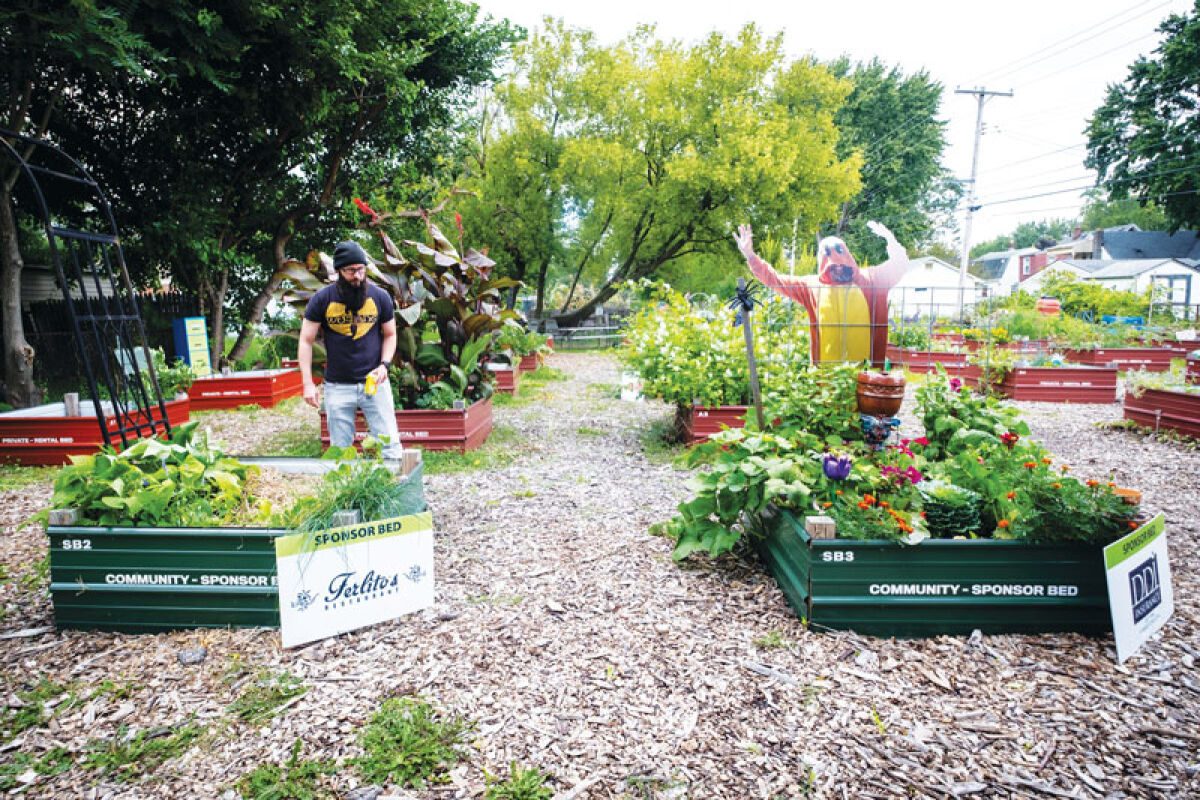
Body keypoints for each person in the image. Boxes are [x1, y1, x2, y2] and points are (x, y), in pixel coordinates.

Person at [733, 221, 910, 367]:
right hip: (827, 383)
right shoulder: (812, 287)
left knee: (865, 406)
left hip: (867, 381)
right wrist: (750, 256)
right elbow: (775, 280)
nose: (838, 267)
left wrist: (892, 242)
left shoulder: (872, 280)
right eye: (832, 264)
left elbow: (899, 265)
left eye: (841, 262)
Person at [299, 240, 403, 459]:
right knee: (340, 451)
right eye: (350, 270)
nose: (357, 275)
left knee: (390, 445)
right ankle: (349, 492)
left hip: (375, 382)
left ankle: (397, 489)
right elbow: (305, 341)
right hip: (337, 386)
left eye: (361, 269)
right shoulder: (322, 299)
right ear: (339, 271)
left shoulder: (380, 297)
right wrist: (308, 384)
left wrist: (385, 365)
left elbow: (391, 334)